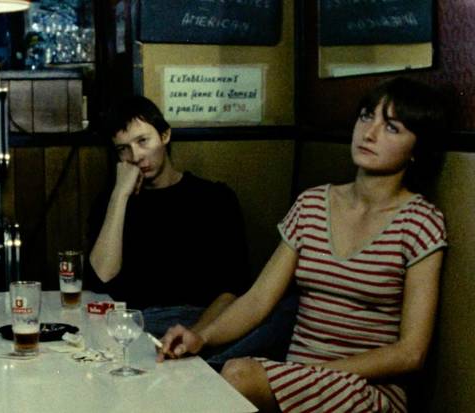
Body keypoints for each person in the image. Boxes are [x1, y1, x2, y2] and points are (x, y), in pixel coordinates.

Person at [158, 77, 448, 413]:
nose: (369, 133)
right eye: (366, 116)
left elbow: (411, 352)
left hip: (367, 390)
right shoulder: (312, 204)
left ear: (417, 150)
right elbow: (257, 300)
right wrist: (202, 337)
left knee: (237, 375)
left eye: (392, 127)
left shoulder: (420, 222)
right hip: (298, 380)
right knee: (187, 380)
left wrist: (320, 374)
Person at [88, 96, 297, 369]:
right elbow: (102, 276)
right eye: (123, 149)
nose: (136, 156)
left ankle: (196, 364)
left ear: (165, 136)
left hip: (208, 324)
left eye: (143, 141)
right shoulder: (114, 201)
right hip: (140, 325)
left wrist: (195, 336)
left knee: (286, 312)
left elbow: (231, 289)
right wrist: (120, 194)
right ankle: (196, 367)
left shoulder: (213, 198)